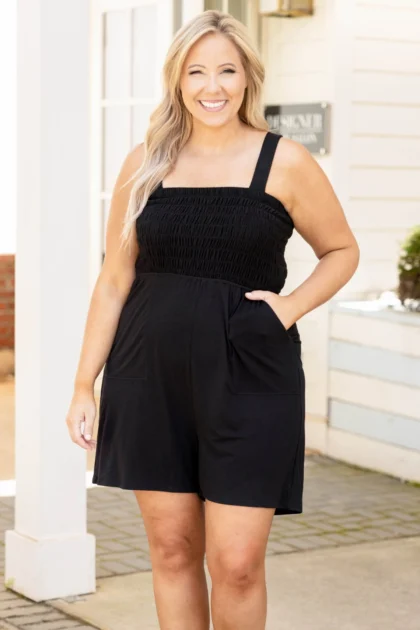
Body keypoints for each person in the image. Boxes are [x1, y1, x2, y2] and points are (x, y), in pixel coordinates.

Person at [66, 9, 359, 630]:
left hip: (251, 376)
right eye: (196, 72)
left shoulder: (285, 161)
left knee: (237, 564)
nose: (212, 86)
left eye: (227, 70)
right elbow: (115, 280)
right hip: (150, 376)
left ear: (248, 77)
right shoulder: (145, 163)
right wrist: (83, 383)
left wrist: (289, 306)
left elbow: (342, 250)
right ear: (177, 79)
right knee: (173, 551)